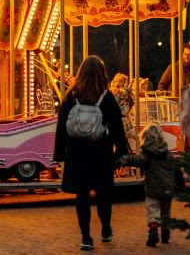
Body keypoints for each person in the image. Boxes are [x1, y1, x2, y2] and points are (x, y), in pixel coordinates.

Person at [54, 56, 128, 251]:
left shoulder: (72, 95)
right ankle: (105, 228)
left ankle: (86, 236)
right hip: (100, 152)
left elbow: (61, 123)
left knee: (82, 195)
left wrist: (60, 152)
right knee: (104, 194)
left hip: (77, 153)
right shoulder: (107, 96)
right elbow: (117, 126)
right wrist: (120, 151)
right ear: (102, 73)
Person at [119, 125, 179, 247]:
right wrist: (180, 183)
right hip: (168, 188)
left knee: (152, 210)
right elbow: (176, 169)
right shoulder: (168, 154)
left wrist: (126, 159)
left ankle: (153, 232)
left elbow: (138, 160)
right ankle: (166, 234)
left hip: (153, 188)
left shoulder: (147, 154)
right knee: (166, 212)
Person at [110, 73, 138, 150]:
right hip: (115, 118)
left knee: (129, 137)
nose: (117, 83)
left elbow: (130, 102)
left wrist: (128, 90)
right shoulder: (111, 92)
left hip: (124, 118)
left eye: (120, 81)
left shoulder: (123, 92)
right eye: (115, 81)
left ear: (124, 83)